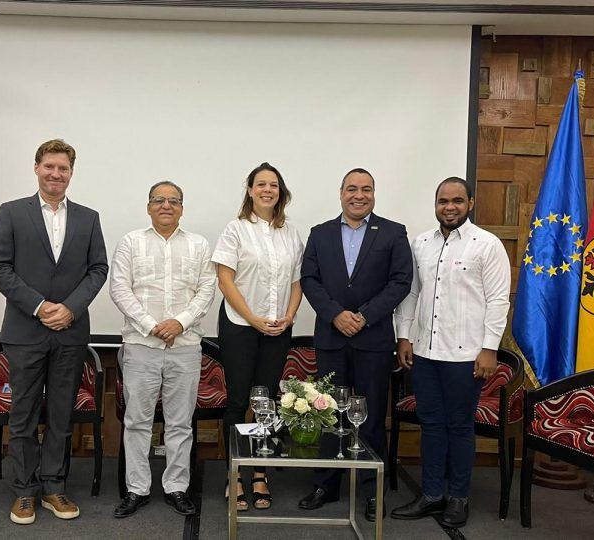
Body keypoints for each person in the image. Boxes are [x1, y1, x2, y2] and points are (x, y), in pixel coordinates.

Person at [0, 139, 109, 525]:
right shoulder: (11, 213)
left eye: (64, 168)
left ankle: (54, 487)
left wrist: (70, 308)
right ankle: (24, 491)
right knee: (22, 415)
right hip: (25, 332)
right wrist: (41, 307)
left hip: (70, 333)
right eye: (50, 167)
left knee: (60, 416)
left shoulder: (88, 218)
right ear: (37, 167)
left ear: (71, 173)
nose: (56, 174)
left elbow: (98, 270)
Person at [391, 177, 510, 528]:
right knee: (431, 426)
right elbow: (411, 295)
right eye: (443, 201)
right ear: (435, 205)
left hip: (466, 357)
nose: (450, 206)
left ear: (470, 203)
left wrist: (489, 349)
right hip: (426, 354)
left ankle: (458, 497)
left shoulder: (486, 245)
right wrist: (403, 337)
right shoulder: (421, 244)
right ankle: (431, 495)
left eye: (457, 200)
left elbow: (498, 300)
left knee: (459, 427)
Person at [299, 167, 412, 521]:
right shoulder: (320, 234)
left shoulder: (393, 233)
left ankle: (370, 489)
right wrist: (336, 315)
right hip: (332, 337)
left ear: (374, 195)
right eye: (352, 189)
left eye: (366, 189)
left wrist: (363, 316)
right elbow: (309, 279)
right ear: (341, 193)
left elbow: (400, 282)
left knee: (372, 416)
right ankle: (326, 484)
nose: (358, 195)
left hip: (373, 339)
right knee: (329, 411)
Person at [109, 181, 216, 518]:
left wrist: (179, 323)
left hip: (185, 346)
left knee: (180, 423)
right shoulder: (131, 242)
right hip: (141, 345)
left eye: (173, 201)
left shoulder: (199, 245)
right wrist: (152, 325)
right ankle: (137, 489)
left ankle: (177, 487)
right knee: (137, 421)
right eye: (159, 200)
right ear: (148, 206)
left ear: (182, 208)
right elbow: (119, 288)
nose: (166, 205)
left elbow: (206, 290)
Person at [212, 162, 304, 511]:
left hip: (278, 329)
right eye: (261, 184)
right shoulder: (235, 230)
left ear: (281, 193)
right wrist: (252, 319)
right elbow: (225, 280)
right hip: (240, 325)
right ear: (250, 190)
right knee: (238, 401)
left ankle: (260, 474)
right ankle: (234, 475)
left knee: (266, 403)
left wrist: (290, 316)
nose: (268, 190)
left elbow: (297, 281)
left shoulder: (290, 233)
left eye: (274, 185)